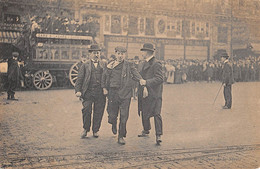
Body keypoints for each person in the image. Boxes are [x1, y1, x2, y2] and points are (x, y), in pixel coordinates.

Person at [101, 46, 143, 145]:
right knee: (112, 114)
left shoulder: (129, 65)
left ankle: (121, 136)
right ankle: (113, 123)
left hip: (125, 93)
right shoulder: (110, 65)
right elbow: (104, 77)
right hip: (112, 93)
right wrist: (104, 88)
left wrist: (141, 80)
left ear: (125, 55)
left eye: (122, 54)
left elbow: (135, 73)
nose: (120, 56)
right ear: (115, 54)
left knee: (124, 116)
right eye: (119, 53)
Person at [75, 44, 106, 138]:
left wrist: (106, 89)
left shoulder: (104, 64)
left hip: (100, 92)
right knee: (86, 110)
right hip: (88, 92)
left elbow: (108, 77)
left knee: (99, 111)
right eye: (94, 53)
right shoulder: (85, 65)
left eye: (98, 53)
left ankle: (95, 130)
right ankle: (85, 129)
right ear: (90, 54)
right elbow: (79, 79)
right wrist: (78, 90)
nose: (96, 55)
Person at [137, 43, 164, 145]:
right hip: (144, 92)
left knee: (156, 114)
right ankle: (146, 129)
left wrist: (146, 82)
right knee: (144, 112)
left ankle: (158, 135)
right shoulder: (142, 63)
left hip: (155, 94)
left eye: (143, 51)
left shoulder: (156, 63)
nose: (141, 53)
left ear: (147, 52)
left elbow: (160, 78)